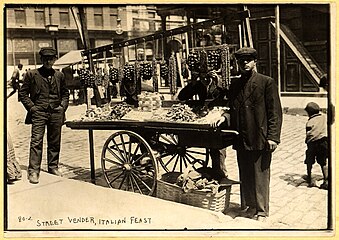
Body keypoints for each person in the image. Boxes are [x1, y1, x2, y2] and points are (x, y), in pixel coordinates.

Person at [212, 47, 283, 221]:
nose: (244, 63)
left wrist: (273, 137)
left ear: (254, 61)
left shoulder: (266, 82)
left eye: (248, 60)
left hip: (260, 137)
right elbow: (232, 107)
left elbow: (275, 112)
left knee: (260, 174)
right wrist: (225, 117)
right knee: (245, 173)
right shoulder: (235, 84)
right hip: (241, 136)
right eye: (241, 61)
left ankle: (261, 211)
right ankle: (250, 206)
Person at [19, 47, 70, 184]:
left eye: (51, 59)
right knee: (36, 141)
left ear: (55, 59)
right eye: (46, 59)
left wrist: (62, 107)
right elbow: (23, 94)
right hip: (39, 112)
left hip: (56, 112)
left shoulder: (59, 75)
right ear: (41, 59)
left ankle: (53, 167)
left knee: (54, 141)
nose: (49, 61)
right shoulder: (32, 74)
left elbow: (65, 93)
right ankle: (34, 171)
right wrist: (32, 108)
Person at [179, 70, 228, 182]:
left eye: (206, 78)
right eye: (202, 78)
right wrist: (192, 84)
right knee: (210, 145)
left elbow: (227, 95)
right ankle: (213, 174)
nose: (204, 80)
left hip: (218, 117)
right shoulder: (199, 85)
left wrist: (219, 82)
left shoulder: (218, 83)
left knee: (218, 148)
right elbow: (182, 96)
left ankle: (220, 174)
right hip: (203, 118)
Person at [304, 102, 328, 189]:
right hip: (324, 142)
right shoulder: (324, 117)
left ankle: (310, 178)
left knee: (309, 160)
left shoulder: (310, 122)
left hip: (313, 144)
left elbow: (309, 134)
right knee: (323, 161)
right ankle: (326, 180)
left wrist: (307, 141)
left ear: (309, 113)